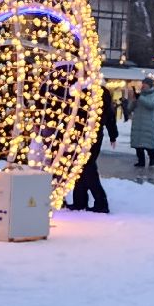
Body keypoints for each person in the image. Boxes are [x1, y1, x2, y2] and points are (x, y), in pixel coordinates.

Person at [66, 84, 117, 213]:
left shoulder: (82, 91)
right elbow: (109, 114)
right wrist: (112, 134)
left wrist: (113, 134)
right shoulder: (92, 90)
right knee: (82, 167)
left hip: (88, 134)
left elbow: (108, 114)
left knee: (87, 168)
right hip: (87, 134)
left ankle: (100, 202)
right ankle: (80, 201)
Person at [130, 76, 154, 169]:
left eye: (145, 84)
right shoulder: (140, 95)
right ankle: (141, 161)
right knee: (138, 145)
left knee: (148, 145)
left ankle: (152, 159)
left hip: (148, 125)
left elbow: (151, 104)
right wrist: (133, 102)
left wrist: (140, 98)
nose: (143, 86)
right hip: (138, 124)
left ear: (150, 85)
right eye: (143, 84)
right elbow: (130, 108)